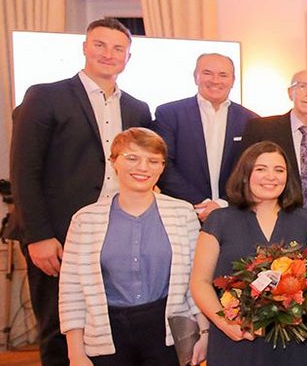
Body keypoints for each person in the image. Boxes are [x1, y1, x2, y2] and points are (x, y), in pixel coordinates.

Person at [10, 18, 151, 366]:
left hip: (115, 233)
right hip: (57, 237)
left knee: (108, 329)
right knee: (59, 330)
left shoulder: (137, 108)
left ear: (128, 58)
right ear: (85, 48)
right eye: (100, 45)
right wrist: (39, 235)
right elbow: (25, 171)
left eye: (118, 48)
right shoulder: (45, 96)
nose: (109, 54)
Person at [59, 128, 207, 366]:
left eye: (153, 161)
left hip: (168, 331)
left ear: (161, 167)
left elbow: (195, 280)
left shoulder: (183, 213)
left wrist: (205, 333)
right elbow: (71, 290)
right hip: (108, 331)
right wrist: (75, 352)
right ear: (114, 161)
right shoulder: (85, 220)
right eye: (132, 158)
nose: (143, 167)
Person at [241, 69, 307, 363]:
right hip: (278, 228)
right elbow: (245, 174)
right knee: (275, 302)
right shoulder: (260, 129)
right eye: (303, 86)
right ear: (291, 92)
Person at [190, 141, 307, 365]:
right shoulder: (219, 220)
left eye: (279, 170)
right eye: (261, 169)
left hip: (293, 341)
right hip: (236, 339)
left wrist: (290, 304)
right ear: (245, 174)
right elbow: (200, 282)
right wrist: (226, 323)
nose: (271, 177)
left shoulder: (304, 220)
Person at [154, 53, 259, 221]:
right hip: (181, 214)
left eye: (223, 75)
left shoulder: (251, 120)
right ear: (196, 76)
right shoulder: (169, 114)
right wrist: (200, 203)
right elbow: (163, 164)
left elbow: (252, 169)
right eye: (207, 73)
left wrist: (223, 203)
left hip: (234, 215)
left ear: (233, 81)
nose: (215, 80)